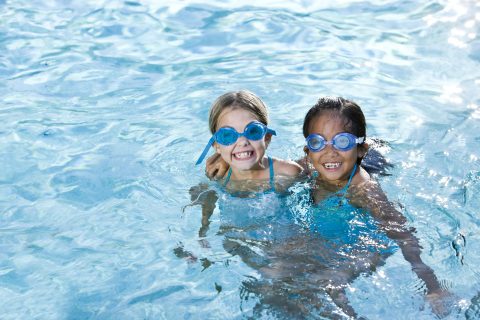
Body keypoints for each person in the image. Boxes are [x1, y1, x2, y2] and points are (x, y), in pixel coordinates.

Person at [298, 96, 452, 317]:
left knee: (331, 283)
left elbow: (403, 233)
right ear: (308, 151)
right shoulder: (308, 166)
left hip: (370, 242)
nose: (329, 152)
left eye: (342, 141)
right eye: (317, 142)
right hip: (339, 201)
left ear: (360, 149)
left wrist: (433, 286)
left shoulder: (365, 191)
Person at [194, 90, 303, 195]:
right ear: (217, 145)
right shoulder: (218, 178)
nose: (242, 142)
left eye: (253, 131)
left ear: (267, 138)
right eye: (228, 135)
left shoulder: (287, 173)